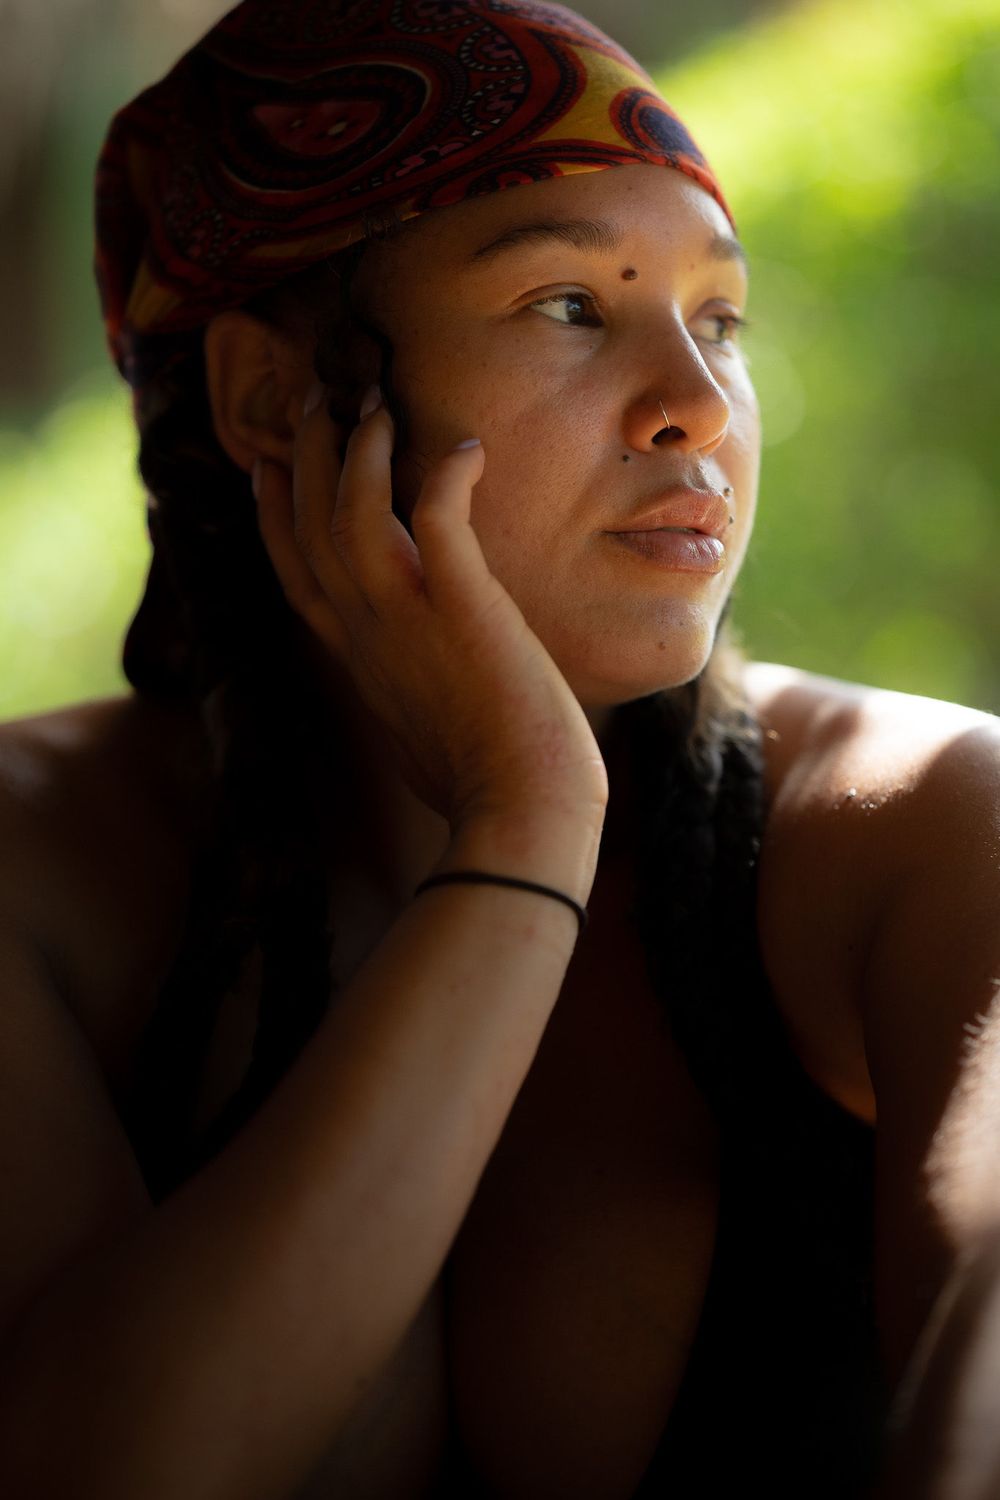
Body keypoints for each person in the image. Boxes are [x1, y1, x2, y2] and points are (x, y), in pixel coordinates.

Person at [0, 0, 998, 1496]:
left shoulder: (923, 819)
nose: (699, 410)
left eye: (718, 320)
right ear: (273, 399)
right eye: (569, 308)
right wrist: (525, 824)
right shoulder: (37, 883)